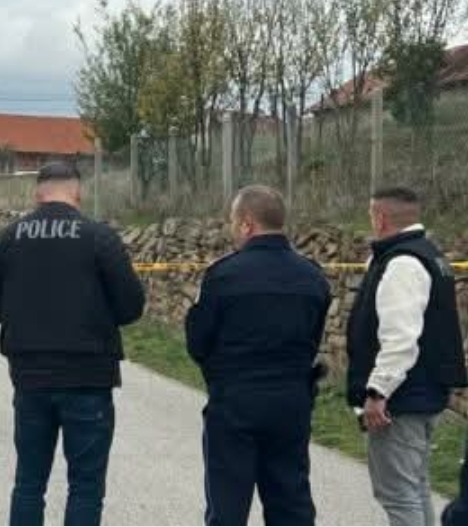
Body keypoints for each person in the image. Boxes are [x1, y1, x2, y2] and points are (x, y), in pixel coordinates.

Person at [0, 161, 145, 526]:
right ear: (78, 193)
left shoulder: (9, 238)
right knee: (85, 487)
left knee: (29, 483)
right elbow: (131, 306)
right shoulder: (99, 238)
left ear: (37, 194)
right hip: (89, 376)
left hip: (30, 376)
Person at [185, 185, 331, 525]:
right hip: (291, 401)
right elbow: (314, 336)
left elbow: (198, 342)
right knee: (291, 503)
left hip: (235, 400)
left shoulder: (223, 275)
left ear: (247, 224)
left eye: (233, 222)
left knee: (228, 505)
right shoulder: (313, 276)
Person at [347, 186, 467, 526]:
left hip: (401, 398)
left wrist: (377, 392)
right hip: (425, 392)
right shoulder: (430, 256)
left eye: (371, 215)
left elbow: (400, 338)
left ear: (380, 218)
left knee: (398, 494)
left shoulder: (401, 263)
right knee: (415, 487)